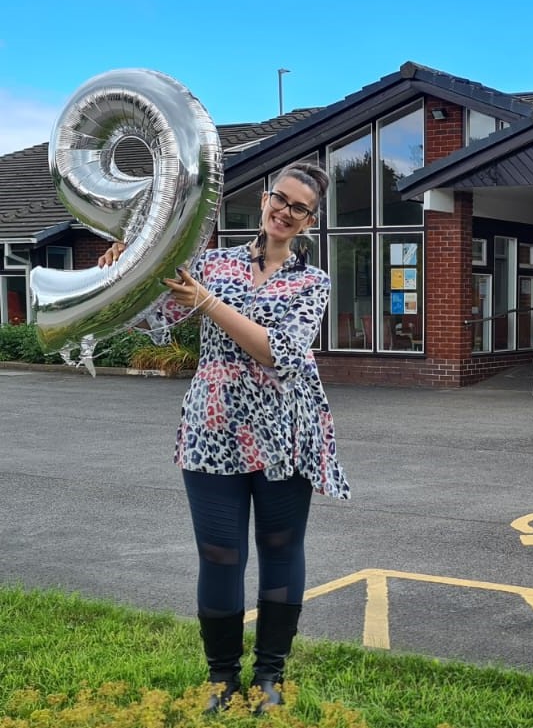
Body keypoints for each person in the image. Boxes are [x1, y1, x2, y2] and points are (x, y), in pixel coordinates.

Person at [99, 160, 350, 714]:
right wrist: (125, 270)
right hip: (213, 427)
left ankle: (269, 677)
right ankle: (221, 680)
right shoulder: (211, 263)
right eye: (280, 199)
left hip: (285, 429)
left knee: (281, 549)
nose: (285, 212)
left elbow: (280, 354)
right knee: (218, 554)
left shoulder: (312, 281)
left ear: (310, 221)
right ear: (263, 200)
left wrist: (210, 304)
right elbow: (153, 318)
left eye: (299, 208)